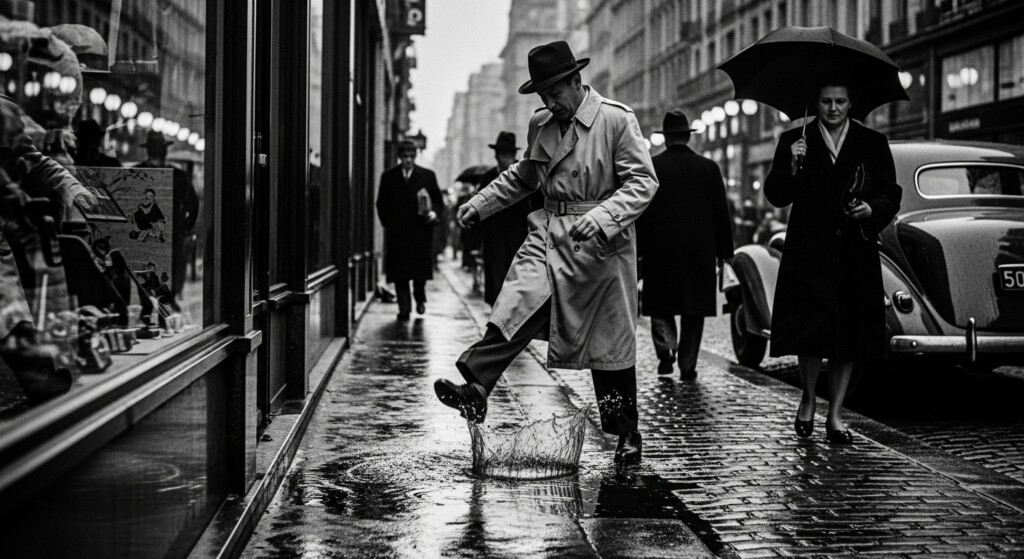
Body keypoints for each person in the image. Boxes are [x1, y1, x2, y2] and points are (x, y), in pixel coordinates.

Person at [432, 41, 658, 465]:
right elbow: (523, 177)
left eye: (555, 92)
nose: (549, 102)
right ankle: (477, 388)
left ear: (576, 82)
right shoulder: (542, 125)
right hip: (549, 232)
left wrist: (607, 216)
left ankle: (626, 432)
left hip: (602, 251)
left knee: (609, 347)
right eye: (542, 95)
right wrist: (479, 205)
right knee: (516, 302)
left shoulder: (615, 120)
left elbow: (643, 183)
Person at [764, 74, 901, 445]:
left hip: (854, 253)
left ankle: (836, 414)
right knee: (811, 333)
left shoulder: (872, 142)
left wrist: (872, 209)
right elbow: (775, 195)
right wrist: (792, 167)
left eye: (840, 101)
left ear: (850, 103)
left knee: (848, 337)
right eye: (826, 102)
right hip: (809, 252)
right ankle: (808, 397)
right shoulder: (795, 141)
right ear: (817, 103)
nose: (833, 108)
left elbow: (891, 191)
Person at [637, 110, 734, 379]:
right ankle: (688, 364)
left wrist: (639, 251)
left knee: (659, 306)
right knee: (694, 310)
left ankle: (667, 348)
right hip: (699, 252)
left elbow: (640, 212)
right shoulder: (709, 168)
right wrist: (725, 253)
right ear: (687, 137)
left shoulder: (652, 167)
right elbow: (721, 214)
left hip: (660, 251)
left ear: (666, 138)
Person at [375, 139, 443, 320]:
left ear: (415, 156)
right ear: (399, 157)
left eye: (412, 156)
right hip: (398, 234)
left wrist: (433, 214)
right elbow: (381, 204)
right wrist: (389, 224)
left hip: (420, 233)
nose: (408, 160)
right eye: (405, 156)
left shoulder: (427, 176)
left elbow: (438, 201)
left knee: (419, 274)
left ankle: (419, 299)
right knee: (400, 274)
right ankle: (404, 308)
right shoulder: (388, 177)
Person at [476, 131, 544, 305]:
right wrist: (475, 243)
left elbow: (538, 206)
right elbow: (479, 209)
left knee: (516, 284)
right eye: (502, 155)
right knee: (496, 284)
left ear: (514, 156)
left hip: (519, 238)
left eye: (508, 155)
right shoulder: (488, 178)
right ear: (496, 155)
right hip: (494, 239)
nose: (505, 159)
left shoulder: (526, 176)